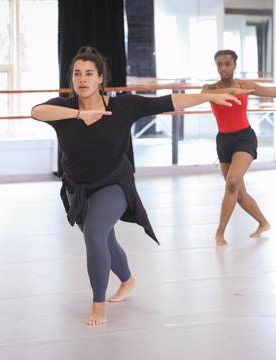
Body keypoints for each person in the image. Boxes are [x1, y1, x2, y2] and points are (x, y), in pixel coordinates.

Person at [31, 46, 239, 325]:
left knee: (94, 233)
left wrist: (210, 96)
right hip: (76, 188)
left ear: (100, 78)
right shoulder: (64, 109)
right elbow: (36, 111)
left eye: (89, 74)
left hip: (113, 183)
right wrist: (79, 115)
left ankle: (98, 305)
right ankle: (127, 280)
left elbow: (169, 102)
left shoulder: (122, 106)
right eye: (77, 74)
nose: (82, 79)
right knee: (104, 239)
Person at [201, 49, 276, 245]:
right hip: (224, 141)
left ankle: (219, 232)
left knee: (232, 183)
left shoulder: (246, 85)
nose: (223, 68)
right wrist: (231, 92)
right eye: (219, 64)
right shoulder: (210, 87)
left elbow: (275, 92)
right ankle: (263, 223)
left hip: (244, 138)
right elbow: (205, 95)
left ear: (235, 65)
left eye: (227, 63)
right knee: (239, 193)